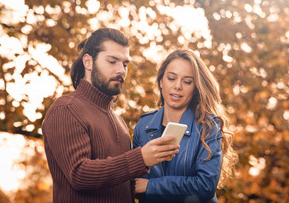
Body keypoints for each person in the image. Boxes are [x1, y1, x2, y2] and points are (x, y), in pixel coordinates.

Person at [42, 28, 180, 203]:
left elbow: (123, 183)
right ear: (88, 62)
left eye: (125, 64)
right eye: (112, 61)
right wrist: (141, 157)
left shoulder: (119, 122)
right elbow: (79, 174)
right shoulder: (66, 109)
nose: (121, 70)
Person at [133, 49, 238, 203]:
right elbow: (133, 183)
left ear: (195, 88)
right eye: (171, 78)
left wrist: (151, 186)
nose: (178, 86)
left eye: (187, 81)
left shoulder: (208, 126)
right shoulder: (143, 126)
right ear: (161, 81)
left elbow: (205, 187)